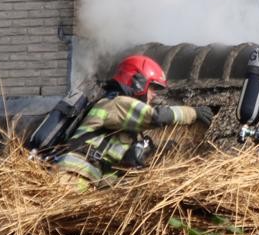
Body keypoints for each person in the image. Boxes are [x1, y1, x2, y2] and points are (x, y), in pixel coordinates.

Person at [54, 54, 213, 188]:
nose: (154, 95)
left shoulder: (124, 125)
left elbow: (116, 167)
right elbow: (156, 117)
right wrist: (193, 112)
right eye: (152, 88)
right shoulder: (117, 103)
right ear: (138, 83)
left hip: (88, 180)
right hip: (72, 178)